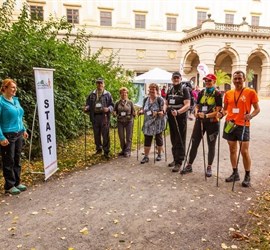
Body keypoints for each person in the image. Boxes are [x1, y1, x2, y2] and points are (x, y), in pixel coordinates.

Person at [218, 70, 260, 187]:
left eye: (239, 78)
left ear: (244, 79)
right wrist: (221, 114)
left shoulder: (250, 92)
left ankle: (247, 175)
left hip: (243, 125)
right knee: (232, 149)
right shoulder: (228, 93)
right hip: (230, 124)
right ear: (233, 80)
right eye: (235, 78)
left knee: (244, 151)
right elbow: (225, 109)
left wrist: (250, 115)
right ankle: (235, 173)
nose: (237, 81)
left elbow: (257, 109)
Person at [181, 73, 222, 177]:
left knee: (211, 145)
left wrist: (207, 116)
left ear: (214, 82)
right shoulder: (201, 92)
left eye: (209, 81)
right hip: (200, 121)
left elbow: (218, 111)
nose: (207, 82)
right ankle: (189, 165)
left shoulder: (217, 94)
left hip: (212, 123)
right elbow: (197, 105)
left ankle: (209, 167)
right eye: (206, 81)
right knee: (194, 142)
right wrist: (195, 112)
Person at [0, 79, 28, 195]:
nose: (14, 90)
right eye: (12, 87)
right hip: (8, 135)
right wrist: (1, 137)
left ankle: (17, 182)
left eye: (15, 88)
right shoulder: (1, 102)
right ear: (5, 88)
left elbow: (19, 117)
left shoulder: (16, 101)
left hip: (19, 134)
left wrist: (24, 130)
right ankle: (9, 185)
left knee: (17, 159)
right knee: (9, 160)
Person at [166, 71, 190, 172]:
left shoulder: (184, 89)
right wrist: (164, 109)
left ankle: (179, 161)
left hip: (180, 118)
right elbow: (166, 102)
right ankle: (175, 158)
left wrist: (178, 112)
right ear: (172, 79)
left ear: (180, 79)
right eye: (174, 78)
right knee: (173, 138)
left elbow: (187, 104)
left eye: (177, 78)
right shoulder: (170, 89)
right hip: (171, 117)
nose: (176, 79)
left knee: (180, 138)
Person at [85, 77, 114, 159]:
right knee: (96, 135)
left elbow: (112, 105)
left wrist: (108, 109)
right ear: (96, 84)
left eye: (101, 83)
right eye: (98, 83)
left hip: (104, 117)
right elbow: (88, 104)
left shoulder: (108, 94)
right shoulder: (92, 94)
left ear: (104, 84)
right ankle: (98, 148)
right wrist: (87, 108)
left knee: (105, 135)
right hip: (94, 117)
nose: (99, 84)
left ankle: (106, 151)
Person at [139, 83, 166, 164]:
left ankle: (159, 154)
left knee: (158, 138)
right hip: (147, 123)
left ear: (157, 90)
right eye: (150, 89)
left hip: (158, 123)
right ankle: (146, 156)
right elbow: (143, 109)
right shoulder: (145, 99)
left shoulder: (160, 99)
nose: (151, 91)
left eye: (153, 89)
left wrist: (157, 113)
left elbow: (163, 112)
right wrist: (141, 111)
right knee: (147, 139)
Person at [114, 87, 135, 157]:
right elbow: (115, 111)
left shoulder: (130, 102)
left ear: (127, 94)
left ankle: (128, 151)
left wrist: (135, 113)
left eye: (125, 93)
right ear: (120, 94)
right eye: (122, 93)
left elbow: (133, 111)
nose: (124, 94)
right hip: (120, 121)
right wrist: (114, 113)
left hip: (129, 120)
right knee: (121, 136)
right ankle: (123, 150)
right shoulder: (117, 103)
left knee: (129, 136)